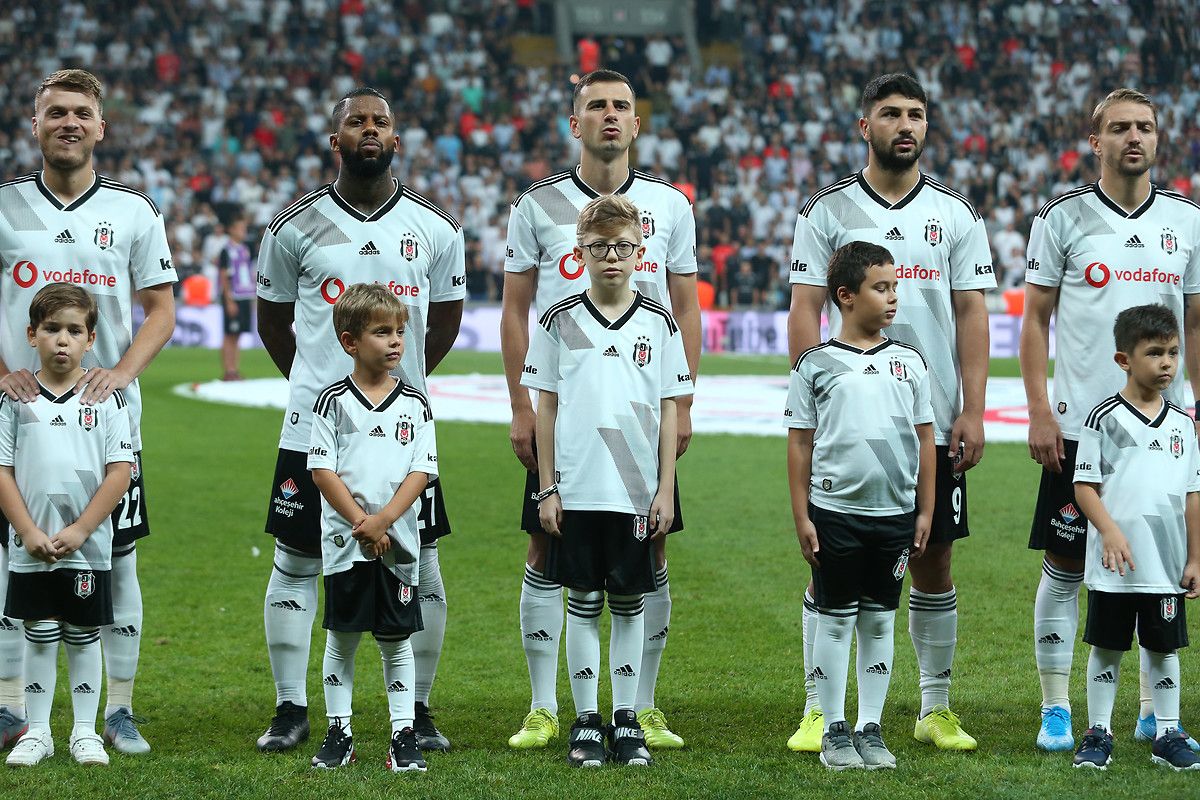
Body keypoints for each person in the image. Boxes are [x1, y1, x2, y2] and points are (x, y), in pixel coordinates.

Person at [254, 86, 464, 754]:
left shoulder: (437, 228)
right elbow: (271, 322)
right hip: (313, 430)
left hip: (404, 430)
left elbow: (447, 322)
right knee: (295, 560)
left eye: (381, 122)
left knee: (420, 565)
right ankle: (291, 709)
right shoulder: (292, 227)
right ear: (333, 137)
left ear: (396, 139)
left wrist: (391, 390)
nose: (369, 130)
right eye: (355, 121)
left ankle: (419, 713)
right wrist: (326, 387)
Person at [787, 73, 993, 753]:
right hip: (845, 424)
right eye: (890, 114)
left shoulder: (956, 213)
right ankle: (820, 708)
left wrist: (973, 408)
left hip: (926, 421)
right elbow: (804, 310)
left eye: (916, 114)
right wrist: (810, 404)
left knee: (933, 561)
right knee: (829, 563)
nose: (905, 125)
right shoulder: (827, 208)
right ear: (864, 126)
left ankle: (934, 708)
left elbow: (970, 312)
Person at [502, 68, 700, 751]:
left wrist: (686, 399)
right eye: (596, 106)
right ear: (574, 123)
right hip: (568, 423)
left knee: (651, 549)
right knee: (546, 548)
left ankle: (638, 707)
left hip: (644, 416)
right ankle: (545, 707)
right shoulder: (537, 205)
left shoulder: (671, 205)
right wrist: (520, 407)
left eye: (622, 106)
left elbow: (687, 307)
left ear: (637, 123)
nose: (610, 116)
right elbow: (514, 310)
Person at [0, 69, 176, 755]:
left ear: (101, 127)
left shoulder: (135, 210)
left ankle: (118, 711)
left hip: (105, 420)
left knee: (118, 560)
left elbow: (161, 310)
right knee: (11, 561)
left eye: (81, 113)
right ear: (35, 124)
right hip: (18, 417)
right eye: (54, 113)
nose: (68, 122)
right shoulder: (6, 204)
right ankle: (14, 709)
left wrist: (121, 376)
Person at [1020, 88, 1200, 752]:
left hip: (1164, 431)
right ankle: (1055, 707)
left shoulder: (1186, 220)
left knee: (1159, 565)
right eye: (1119, 127)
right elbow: (1035, 320)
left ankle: (1155, 711)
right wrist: (1040, 408)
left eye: (1145, 127)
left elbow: (1197, 323)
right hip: (1079, 431)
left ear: (1159, 139)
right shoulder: (1061, 218)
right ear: (1093, 142)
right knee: (1068, 565)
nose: (1134, 137)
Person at [520, 194, 692, 767]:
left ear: (641, 251)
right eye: (600, 248)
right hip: (577, 486)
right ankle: (586, 719)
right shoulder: (558, 320)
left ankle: (626, 717)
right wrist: (547, 487)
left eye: (622, 247)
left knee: (627, 602)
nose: (612, 257)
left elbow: (669, 409)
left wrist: (665, 488)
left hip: (635, 488)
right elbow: (545, 408)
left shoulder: (660, 322)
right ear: (580, 252)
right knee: (583, 602)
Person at [786, 241, 935, 770]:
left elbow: (924, 440)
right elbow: (800, 442)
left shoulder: (910, 363)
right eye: (882, 287)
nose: (894, 297)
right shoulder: (816, 365)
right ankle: (832, 728)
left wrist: (924, 510)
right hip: (835, 515)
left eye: (896, 286)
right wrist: (803, 515)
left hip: (893, 515)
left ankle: (871, 727)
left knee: (878, 621)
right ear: (846, 297)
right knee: (835, 620)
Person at [0, 283, 134, 767]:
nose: (62, 340)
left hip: (87, 545)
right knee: (37, 631)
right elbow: (2, 471)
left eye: (74, 330)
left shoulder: (106, 399)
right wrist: (28, 532)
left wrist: (81, 529)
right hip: (30, 543)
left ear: (90, 338)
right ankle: (37, 732)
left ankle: (83, 731)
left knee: (82, 634)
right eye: (52, 329)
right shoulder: (16, 399)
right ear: (31, 334)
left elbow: (120, 471)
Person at [307, 284, 438, 773]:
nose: (395, 341)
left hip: (399, 543)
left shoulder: (416, 404)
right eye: (382, 332)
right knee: (342, 637)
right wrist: (364, 524)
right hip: (347, 545)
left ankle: (402, 733)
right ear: (349, 341)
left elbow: (421, 472)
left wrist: (384, 521)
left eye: (400, 331)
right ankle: (339, 730)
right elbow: (323, 471)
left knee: (394, 640)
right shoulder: (332, 403)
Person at [1069, 304, 1200, 772]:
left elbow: (1192, 494)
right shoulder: (1103, 418)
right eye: (1154, 354)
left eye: (1173, 353)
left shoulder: (1184, 424)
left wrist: (1195, 559)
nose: (1167, 363)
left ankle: (1168, 732)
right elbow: (1084, 486)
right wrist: (1109, 532)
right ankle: (1098, 731)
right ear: (1124, 360)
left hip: (1165, 564)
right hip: (1115, 565)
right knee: (1107, 646)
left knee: (1164, 649)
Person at [217, 217, 255, 381]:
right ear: (231, 230)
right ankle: (228, 370)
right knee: (229, 334)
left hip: (245, 294)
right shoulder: (226, 251)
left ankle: (234, 369)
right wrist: (229, 300)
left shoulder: (245, 249)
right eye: (240, 228)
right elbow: (224, 277)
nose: (243, 232)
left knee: (237, 334)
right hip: (234, 296)